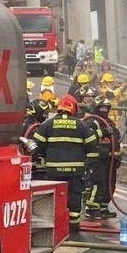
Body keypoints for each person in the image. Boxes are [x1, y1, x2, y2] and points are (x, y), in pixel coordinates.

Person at [31, 94, 99, 234]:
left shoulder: (48, 124)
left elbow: (36, 144)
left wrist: (45, 154)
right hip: (75, 170)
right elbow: (93, 145)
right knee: (74, 196)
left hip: (54, 170)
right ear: (73, 108)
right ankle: (73, 226)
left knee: (55, 197)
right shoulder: (81, 125)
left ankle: (54, 224)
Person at [83, 97, 122, 220]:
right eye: (102, 108)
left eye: (106, 108)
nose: (104, 110)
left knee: (110, 184)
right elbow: (89, 137)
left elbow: (115, 138)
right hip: (96, 158)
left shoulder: (109, 122)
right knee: (97, 183)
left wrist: (116, 155)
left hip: (109, 159)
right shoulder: (91, 121)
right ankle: (92, 208)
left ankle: (103, 207)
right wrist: (103, 132)